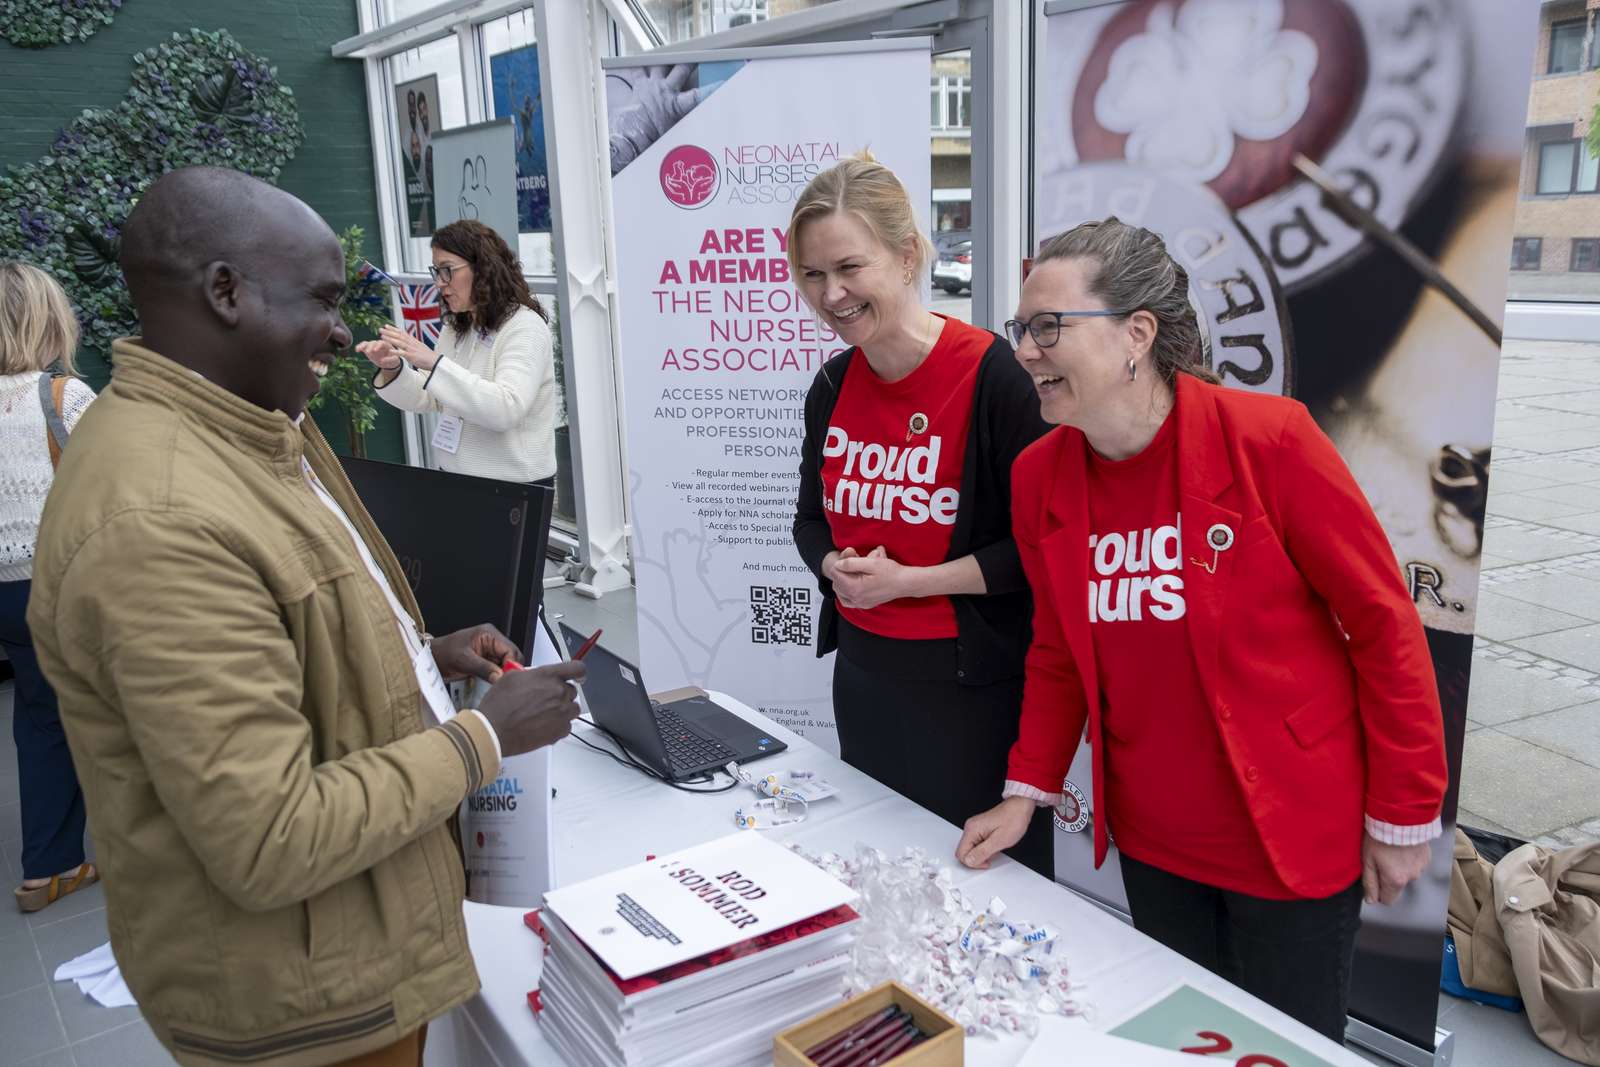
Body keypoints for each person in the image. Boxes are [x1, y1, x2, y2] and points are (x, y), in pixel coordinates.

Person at [26, 167, 587, 1067]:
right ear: (225, 292)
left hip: (340, 957)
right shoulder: (159, 517)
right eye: (322, 298)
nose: (337, 326)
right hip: (310, 1010)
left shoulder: (247, 425)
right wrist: (483, 738)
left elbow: (290, 627)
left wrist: (420, 653)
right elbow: (269, 834)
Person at [955, 218, 1448, 1039]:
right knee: (1185, 1041)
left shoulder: (1271, 441)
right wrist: (1025, 793)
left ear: (1136, 336)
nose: (1026, 351)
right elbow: (1057, 652)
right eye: (1022, 330)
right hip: (1156, 844)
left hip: (1289, 839)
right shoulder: (1041, 474)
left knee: (1284, 1048)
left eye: (1049, 328)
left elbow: (1383, 625)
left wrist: (1401, 815)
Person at [790, 153, 1054, 876]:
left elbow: (1038, 551)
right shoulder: (832, 383)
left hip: (971, 694)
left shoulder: (995, 376)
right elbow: (810, 519)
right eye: (812, 274)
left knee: (985, 897)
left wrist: (911, 582)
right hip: (865, 678)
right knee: (880, 878)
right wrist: (831, 564)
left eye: (849, 266)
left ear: (907, 255)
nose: (831, 293)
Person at [0, 261, 97, 913]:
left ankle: (50, 866)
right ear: (48, 318)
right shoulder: (64, 398)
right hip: (67, 584)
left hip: (6, 596)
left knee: (39, 712)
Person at [361, 220, 558, 487]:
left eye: (447, 271)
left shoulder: (524, 327)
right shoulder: (458, 326)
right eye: (436, 271)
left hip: (512, 489)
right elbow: (432, 396)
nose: (440, 283)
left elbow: (506, 408)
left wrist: (433, 363)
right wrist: (393, 368)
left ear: (483, 268)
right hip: (454, 478)